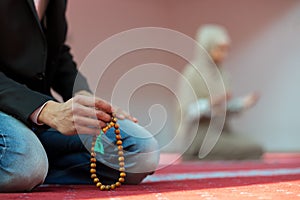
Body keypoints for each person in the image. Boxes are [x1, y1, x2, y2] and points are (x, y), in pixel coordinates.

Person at [0, 0, 159, 192]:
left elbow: (55, 51)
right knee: (25, 163)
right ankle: (29, 164)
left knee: (141, 150)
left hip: (36, 116)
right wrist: (47, 110)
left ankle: (35, 167)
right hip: (13, 108)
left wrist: (82, 94)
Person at [176, 24, 263, 160]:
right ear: (206, 47)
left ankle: (209, 156)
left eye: (226, 49)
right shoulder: (192, 73)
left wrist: (242, 104)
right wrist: (210, 103)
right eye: (220, 49)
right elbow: (188, 112)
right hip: (199, 135)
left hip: (220, 132)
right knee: (250, 149)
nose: (224, 54)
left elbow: (222, 109)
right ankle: (196, 154)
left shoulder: (222, 74)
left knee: (256, 147)